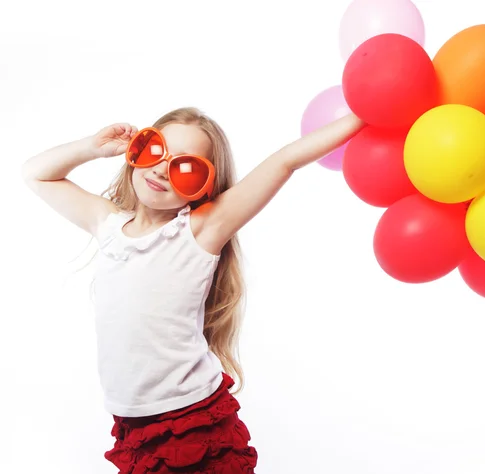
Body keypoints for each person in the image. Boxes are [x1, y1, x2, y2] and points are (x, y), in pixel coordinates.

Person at [21, 106, 364, 473]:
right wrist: (93, 147)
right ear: (136, 153)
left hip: (191, 420)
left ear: (204, 187)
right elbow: (36, 175)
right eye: (154, 150)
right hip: (133, 425)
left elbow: (284, 162)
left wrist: (362, 117)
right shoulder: (107, 225)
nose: (161, 170)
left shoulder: (200, 230)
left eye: (186, 168)